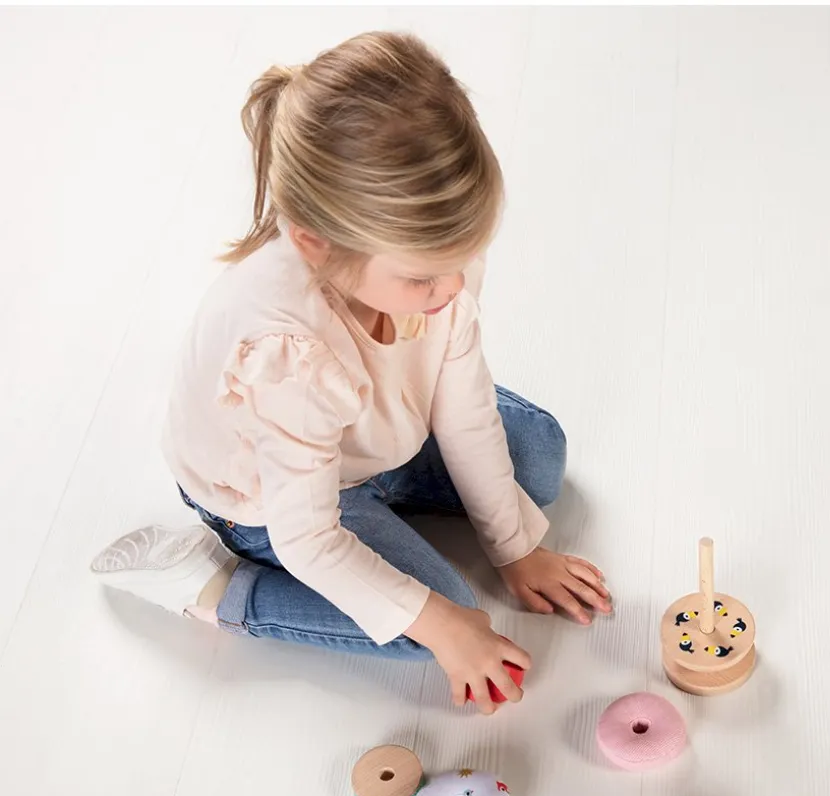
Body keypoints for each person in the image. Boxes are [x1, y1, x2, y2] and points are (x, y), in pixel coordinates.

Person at [91, 30, 611, 714]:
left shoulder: (432, 260)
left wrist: (515, 549)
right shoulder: (289, 352)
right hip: (270, 502)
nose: (455, 287)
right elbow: (309, 538)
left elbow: (463, 409)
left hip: (368, 441)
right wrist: (443, 626)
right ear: (315, 243)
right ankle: (216, 589)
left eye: (463, 257)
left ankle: (395, 501)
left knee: (539, 460)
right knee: (440, 618)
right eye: (425, 277)